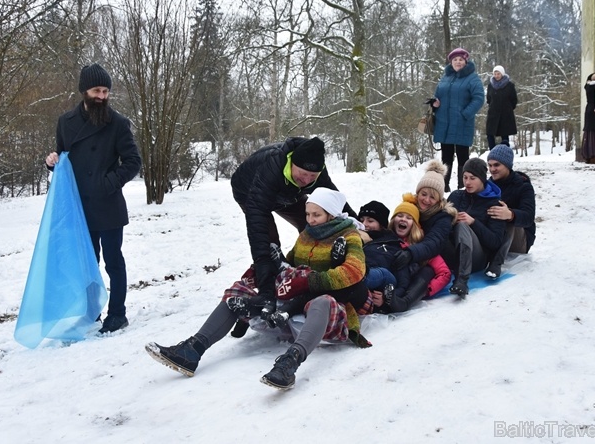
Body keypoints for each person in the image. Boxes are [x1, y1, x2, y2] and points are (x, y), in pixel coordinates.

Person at [145, 188, 370, 390]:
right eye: (308, 214)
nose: (310, 220)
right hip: (292, 299)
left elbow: (353, 272)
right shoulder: (306, 235)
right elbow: (290, 264)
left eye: (316, 215)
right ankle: (192, 349)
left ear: (331, 214)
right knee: (241, 290)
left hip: (324, 309)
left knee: (323, 302)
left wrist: (310, 282)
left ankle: (289, 362)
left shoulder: (349, 236)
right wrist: (274, 266)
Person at [44, 64, 141, 334]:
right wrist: (51, 162)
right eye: (97, 90)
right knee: (87, 262)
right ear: (83, 91)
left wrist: (107, 183)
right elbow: (62, 158)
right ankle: (92, 312)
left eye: (106, 91)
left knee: (113, 260)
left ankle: (118, 314)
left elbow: (133, 161)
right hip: (79, 206)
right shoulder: (65, 122)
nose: (102, 96)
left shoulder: (118, 123)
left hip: (108, 204)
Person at [229, 136, 354, 322]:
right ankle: (268, 290)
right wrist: (265, 287)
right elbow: (258, 229)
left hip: (287, 195)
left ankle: (312, 274)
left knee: (316, 224)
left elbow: (333, 202)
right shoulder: (271, 168)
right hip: (250, 191)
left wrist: (358, 224)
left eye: (312, 177)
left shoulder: (316, 171)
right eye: (303, 174)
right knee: (270, 244)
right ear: (292, 163)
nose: (306, 180)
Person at [371, 197, 451, 313]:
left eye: (409, 218)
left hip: (407, 288)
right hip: (386, 283)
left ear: (414, 225)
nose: (403, 219)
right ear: (393, 220)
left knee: (428, 270)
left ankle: (401, 302)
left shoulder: (420, 246)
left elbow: (444, 273)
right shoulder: (384, 239)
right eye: (400, 216)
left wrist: (425, 291)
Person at [431, 47, 485, 192]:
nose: (458, 62)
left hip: (462, 123)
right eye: (455, 60)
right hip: (444, 122)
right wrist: (435, 104)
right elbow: (438, 95)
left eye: (461, 59)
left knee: (463, 156)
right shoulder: (445, 77)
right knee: (446, 156)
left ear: (465, 61)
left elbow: (479, 98)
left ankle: (463, 187)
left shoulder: (472, 78)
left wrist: (465, 114)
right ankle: (444, 186)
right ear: (451, 62)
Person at [448, 158, 507, 280]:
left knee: (463, 225)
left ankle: (462, 278)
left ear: (482, 179)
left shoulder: (494, 204)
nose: (467, 182)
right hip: (452, 252)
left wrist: (474, 223)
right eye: (465, 177)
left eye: (472, 178)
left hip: (477, 259)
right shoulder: (456, 196)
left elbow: (495, 242)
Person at [485, 144, 536, 276]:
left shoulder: (523, 186)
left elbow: (529, 217)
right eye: (490, 165)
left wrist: (511, 214)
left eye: (496, 165)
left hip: (519, 240)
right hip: (494, 237)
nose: (492, 169)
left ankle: (496, 263)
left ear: (507, 165)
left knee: (503, 216)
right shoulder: (488, 185)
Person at [485, 65, 518, 149]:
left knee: (504, 135)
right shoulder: (490, 85)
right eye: (495, 73)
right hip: (493, 114)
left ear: (502, 74)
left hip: (505, 114)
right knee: (490, 134)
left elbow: (514, 99)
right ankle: (492, 152)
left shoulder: (509, 85)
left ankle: (504, 152)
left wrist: (508, 108)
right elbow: (488, 99)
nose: (496, 75)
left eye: (498, 73)